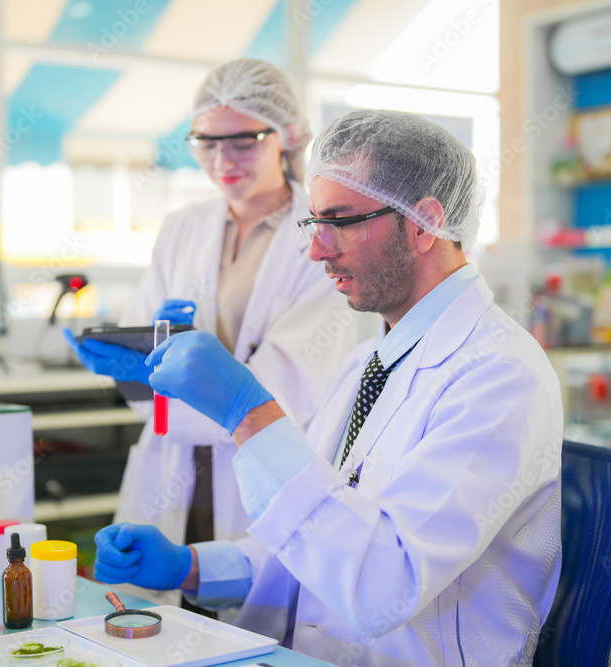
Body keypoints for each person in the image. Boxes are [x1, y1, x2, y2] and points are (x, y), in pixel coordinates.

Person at [92, 109, 564, 666]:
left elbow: (383, 585)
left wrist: (250, 414)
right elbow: (320, 530)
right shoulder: (370, 361)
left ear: (423, 221)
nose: (317, 250)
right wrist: (190, 565)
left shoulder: (497, 375)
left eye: (340, 221)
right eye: (314, 223)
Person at [65, 59, 364, 612]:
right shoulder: (182, 227)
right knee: (153, 624)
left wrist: (167, 378)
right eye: (206, 143)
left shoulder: (324, 232)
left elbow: (290, 388)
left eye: (244, 141)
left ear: (287, 135)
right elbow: (145, 374)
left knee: (247, 623)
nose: (222, 160)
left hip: (261, 467)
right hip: (172, 463)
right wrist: (130, 366)